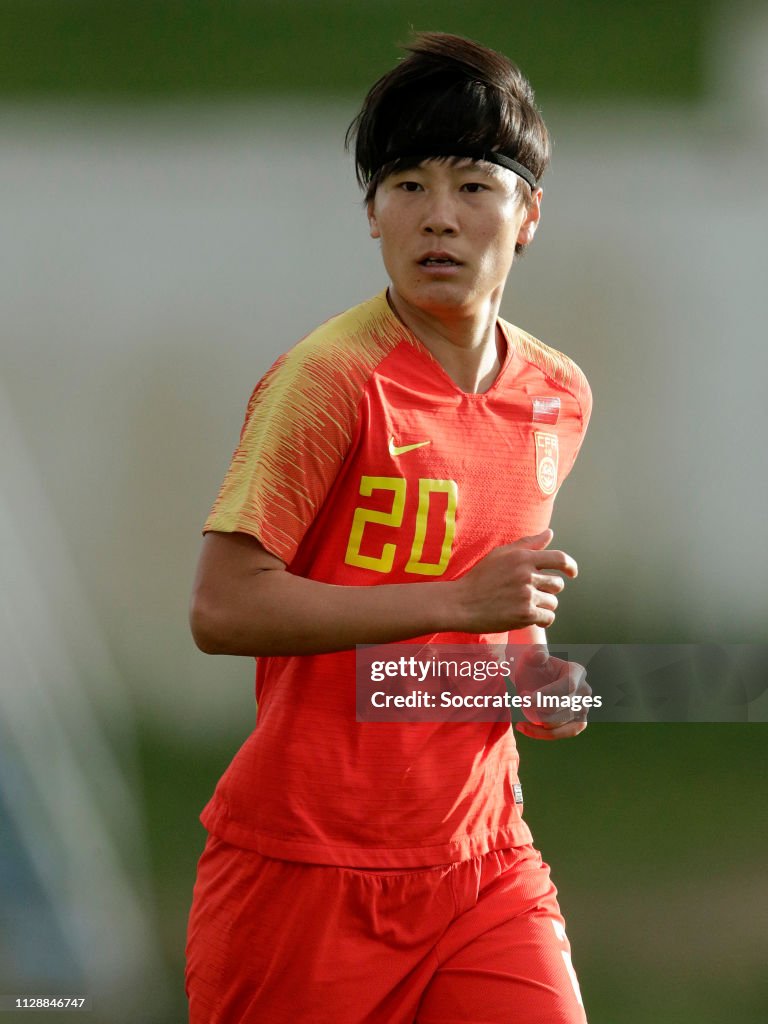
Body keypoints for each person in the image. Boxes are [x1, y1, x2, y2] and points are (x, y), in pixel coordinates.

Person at [186, 31, 592, 1024]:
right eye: (406, 184)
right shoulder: (326, 382)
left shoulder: (557, 393)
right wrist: (456, 605)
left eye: (473, 183)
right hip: (302, 874)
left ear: (529, 214)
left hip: (483, 863)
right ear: (371, 215)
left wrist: (532, 671)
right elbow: (222, 604)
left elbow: (483, 624)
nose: (439, 216)